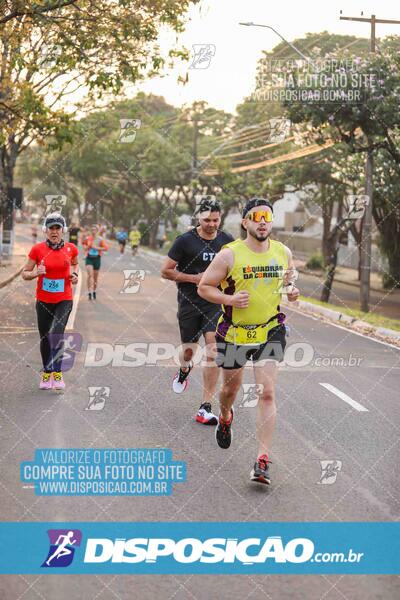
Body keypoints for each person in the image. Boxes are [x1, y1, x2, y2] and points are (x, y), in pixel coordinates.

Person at [198, 198, 300, 485]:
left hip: (270, 329)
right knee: (230, 391)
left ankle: (262, 460)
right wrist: (229, 299)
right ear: (245, 222)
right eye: (256, 217)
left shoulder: (283, 252)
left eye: (267, 216)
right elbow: (204, 287)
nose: (263, 221)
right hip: (234, 332)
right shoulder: (229, 255)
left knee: (266, 392)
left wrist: (291, 291)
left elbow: (288, 281)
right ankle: (226, 415)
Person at [161, 198, 234, 425]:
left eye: (215, 219)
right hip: (189, 302)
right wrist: (193, 278)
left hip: (215, 303)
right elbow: (165, 271)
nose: (211, 224)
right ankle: (184, 368)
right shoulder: (184, 241)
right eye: (206, 220)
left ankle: (205, 407)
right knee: (189, 352)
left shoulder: (227, 241)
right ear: (197, 218)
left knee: (213, 348)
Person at [22, 213, 79, 391]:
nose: (54, 231)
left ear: (63, 230)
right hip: (44, 301)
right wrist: (36, 273)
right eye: (51, 228)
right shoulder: (37, 250)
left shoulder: (71, 249)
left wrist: (74, 275)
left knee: (57, 333)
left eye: (58, 228)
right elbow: (25, 273)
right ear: (45, 230)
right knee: (45, 337)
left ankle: (57, 373)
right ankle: (46, 373)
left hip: (64, 299)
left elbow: (75, 265)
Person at [82, 224, 108, 301]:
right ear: (91, 231)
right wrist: (88, 246)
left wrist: (96, 248)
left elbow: (106, 248)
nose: (93, 231)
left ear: (97, 231)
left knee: (95, 278)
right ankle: (89, 292)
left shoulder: (100, 239)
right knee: (90, 275)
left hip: (97, 258)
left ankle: (94, 291)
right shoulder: (88, 238)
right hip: (89, 258)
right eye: (92, 230)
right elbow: (84, 247)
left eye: (95, 230)